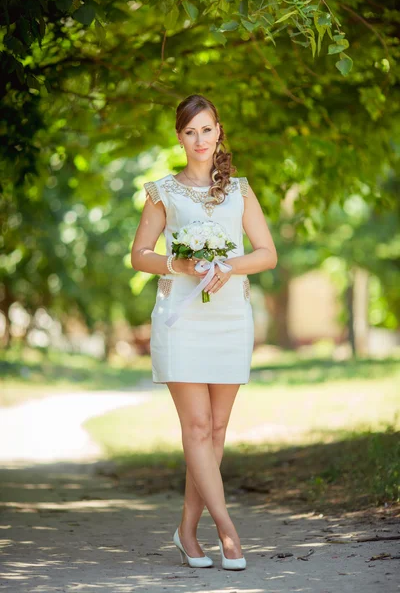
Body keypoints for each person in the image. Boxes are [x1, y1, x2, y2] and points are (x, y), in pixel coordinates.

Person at [131, 94, 277, 570]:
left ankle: (187, 532)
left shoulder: (241, 189)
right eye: (190, 132)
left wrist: (226, 267)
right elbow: (140, 255)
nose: (199, 140)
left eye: (207, 129)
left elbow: (266, 253)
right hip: (181, 319)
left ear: (219, 132)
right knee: (195, 427)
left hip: (231, 318)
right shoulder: (162, 191)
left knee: (214, 433)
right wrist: (183, 263)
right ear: (179, 137)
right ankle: (228, 532)